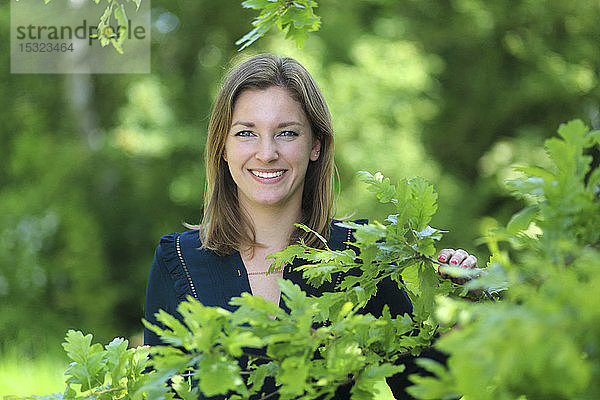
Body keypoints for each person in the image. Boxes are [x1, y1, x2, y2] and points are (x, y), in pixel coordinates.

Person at [144, 53, 477, 398]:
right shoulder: (177, 260)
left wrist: (462, 309)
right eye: (246, 133)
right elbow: (157, 390)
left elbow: (425, 390)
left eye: (286, 133)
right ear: (223, 148)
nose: (267, 152)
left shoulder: (361, 255)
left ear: (315, 145)